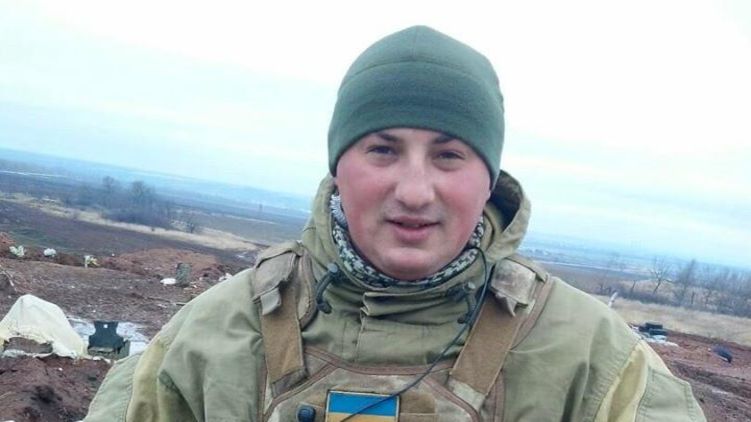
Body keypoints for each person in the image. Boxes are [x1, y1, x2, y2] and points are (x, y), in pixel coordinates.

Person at [85, 25, 706, 421]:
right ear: (339, 169)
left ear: (489, 180)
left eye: (449, 155)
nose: (414, 191)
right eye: (382, 150)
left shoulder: (596, 361)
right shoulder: (205, 338)